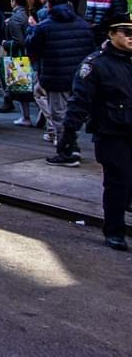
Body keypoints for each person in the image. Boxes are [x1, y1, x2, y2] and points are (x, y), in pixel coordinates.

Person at [48, 14, 132, 250]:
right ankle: (114, 230)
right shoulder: (95, 64)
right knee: (118, 182)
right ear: (112, 34)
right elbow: (79, 101)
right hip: (112, 132)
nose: (130, 37)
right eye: (126, 32)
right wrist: (69, 133)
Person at [26, 0, 94, 147]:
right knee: (75, 112)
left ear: (49, 4)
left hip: (55, 76)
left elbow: (33, 50)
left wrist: (31, 29)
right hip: (79, 76)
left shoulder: (43, 27)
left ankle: (67, 148)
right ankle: (71, 143)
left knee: (59, 113)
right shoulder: (83, 24)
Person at [5, 0, 37, 126]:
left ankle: (26, 117)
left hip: (20, 56)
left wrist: (5, 44)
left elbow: (19, 41)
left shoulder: (15, 18)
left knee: (21, 87)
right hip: (31, 54)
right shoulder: (28, 15)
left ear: (13, 1)